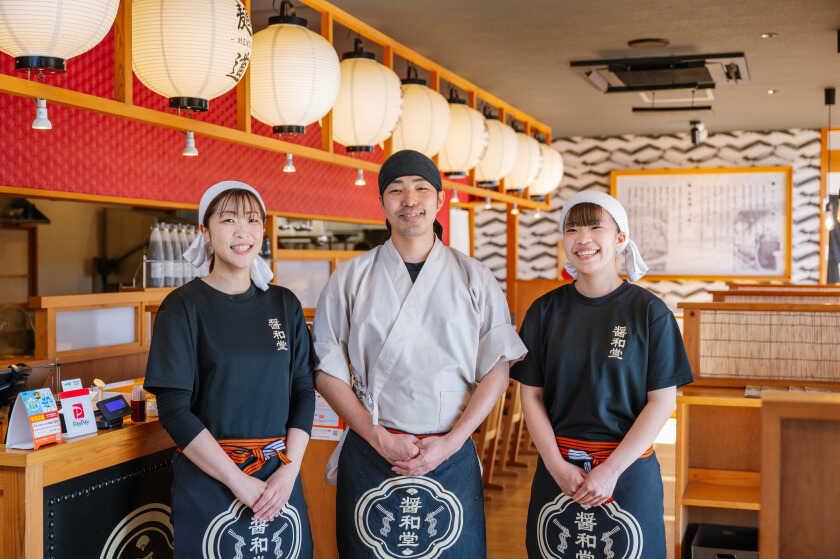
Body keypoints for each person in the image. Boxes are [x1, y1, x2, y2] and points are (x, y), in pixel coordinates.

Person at [312, 150, 527, 558]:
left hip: (449, 449)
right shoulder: (351, 277)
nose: (409, 199)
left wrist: (451, 442)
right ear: (382, 204)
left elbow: (498, 368)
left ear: (440, 200)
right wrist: (375, 435)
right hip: (373, 446)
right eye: (396, 190)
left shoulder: (474, 277)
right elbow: (326, 370)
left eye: (421, 188)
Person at [512, 191, 693, 559]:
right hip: (559, 469)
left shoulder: (649, 313)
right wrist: (555, 465)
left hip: (627, 472)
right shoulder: (545, 311)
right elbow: (530, 394)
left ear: (620, 238)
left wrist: (610, 471)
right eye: (572, 229)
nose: (583, 239)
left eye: (596, 227)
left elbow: (662, 401)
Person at [144, 181, 315, 558]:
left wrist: (289, 471)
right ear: (205, 232)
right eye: (229, 220)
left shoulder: (283, 304)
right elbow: (175, 410)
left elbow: (303, 388)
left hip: (278, 480)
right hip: (211, 483)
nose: (243, 232)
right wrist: (237, 481)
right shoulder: (182, 308)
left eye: (253, 220)